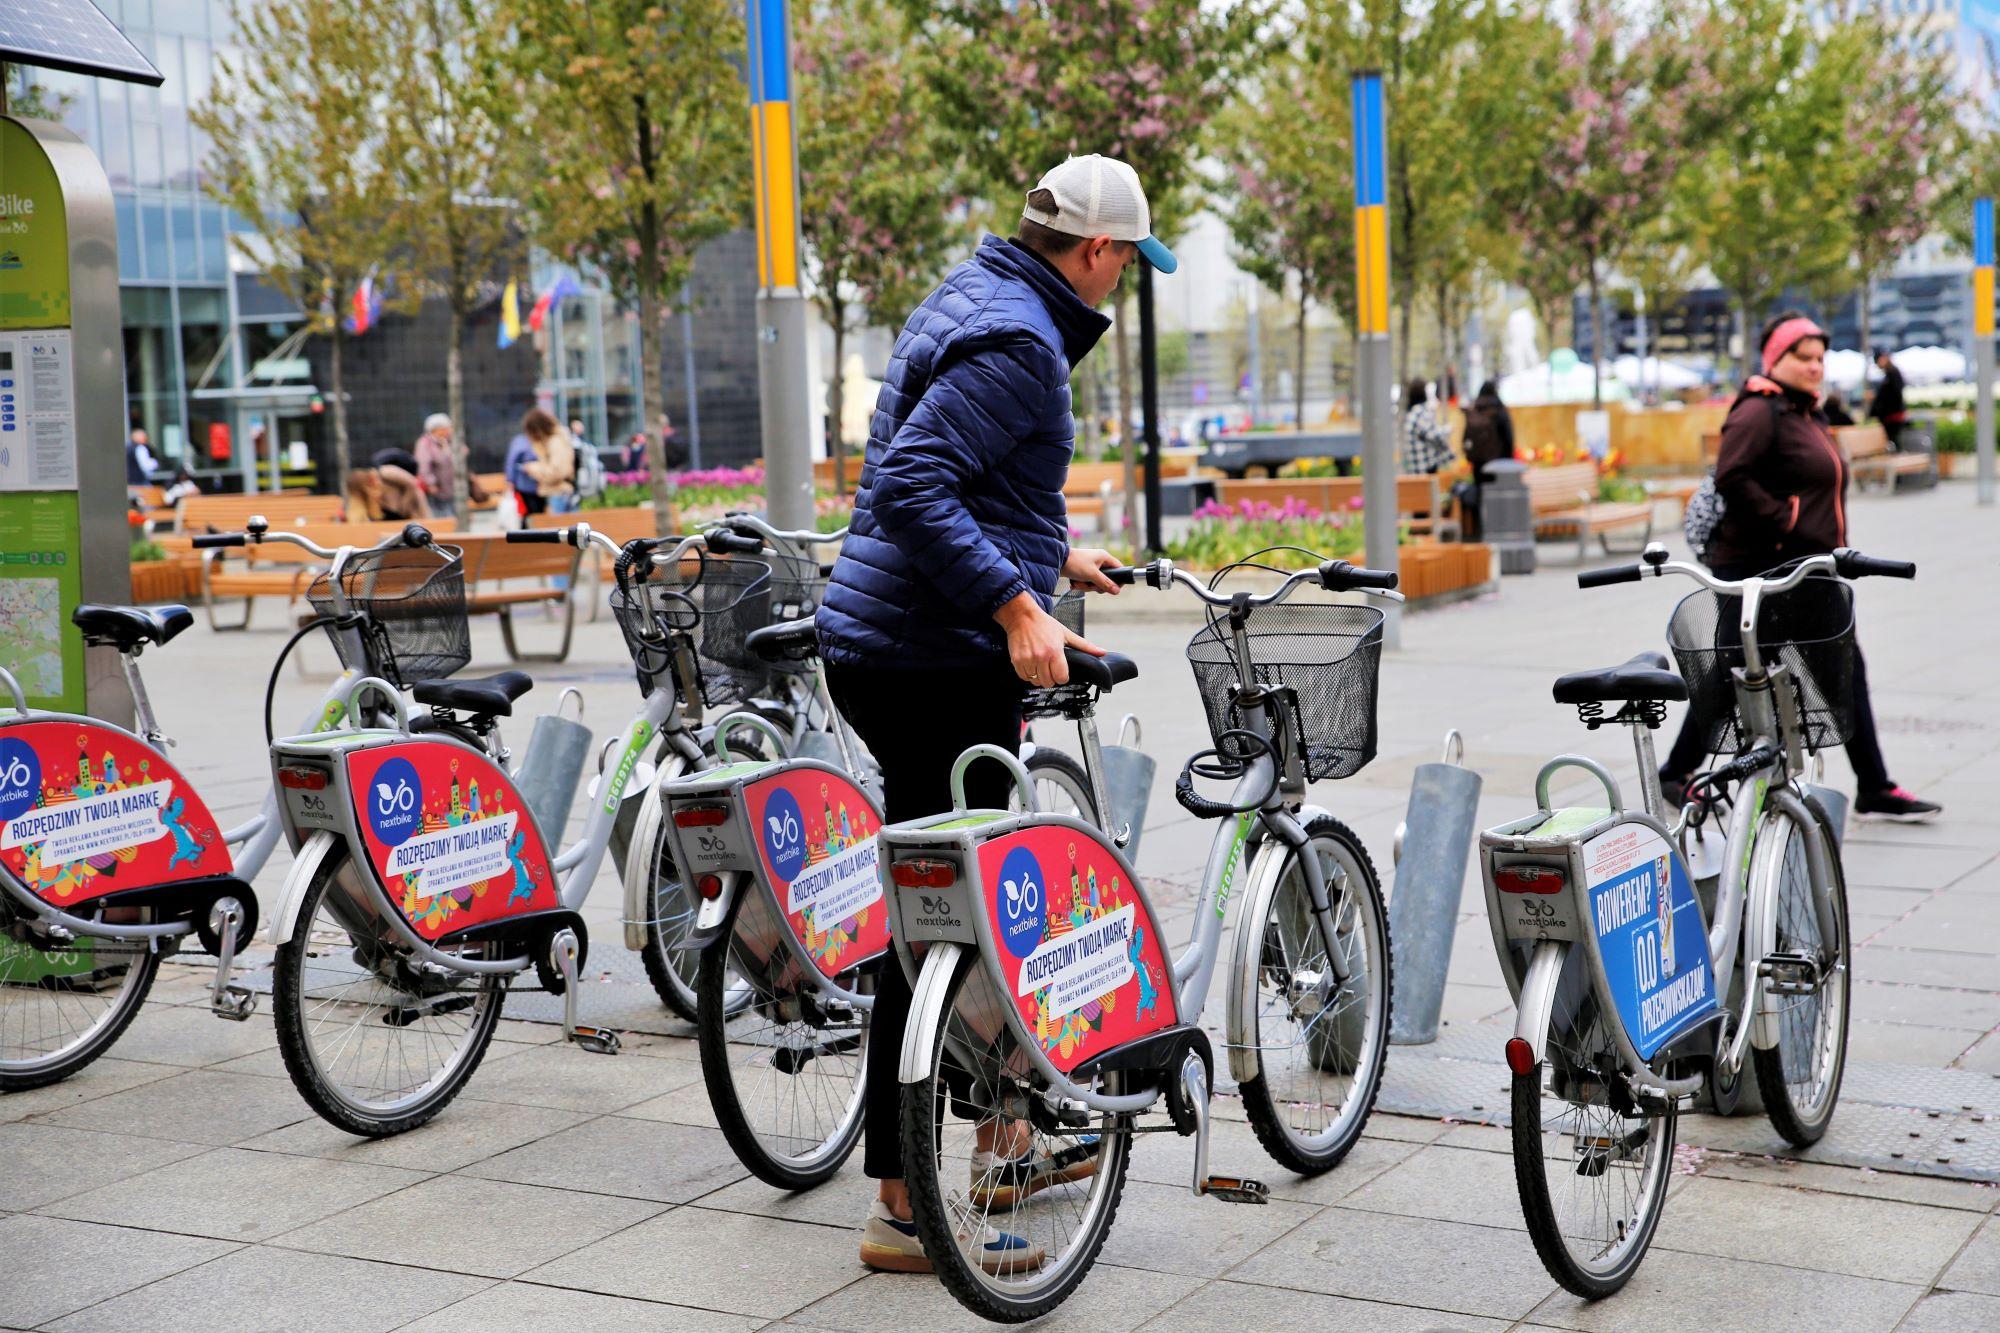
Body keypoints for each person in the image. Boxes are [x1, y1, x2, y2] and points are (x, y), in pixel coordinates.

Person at [815, 152, 1170, 1274]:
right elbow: (915, 482)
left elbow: (942, 477)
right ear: (1099, 250)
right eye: (1127, 262)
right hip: (932, 656)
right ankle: (905, 1203)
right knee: (936, 930)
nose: (1122, 283)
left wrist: (1052, 551)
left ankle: (1003, 1140)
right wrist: (1017, 602)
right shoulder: (1023, 341)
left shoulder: (973, 293)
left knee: (955, 908)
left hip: (889, 643)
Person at [1657, 312, 1939, 822]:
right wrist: (1784, 518)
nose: (1814, 367)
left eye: (1819, 358)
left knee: (1842, 671)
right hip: (1764, 572)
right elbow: (1732, 475)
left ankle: (1875, 786)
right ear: (1775, 360)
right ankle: (1676, 774)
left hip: (1811, 569)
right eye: (1802, 357)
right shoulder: (1759, 411)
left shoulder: (1806, 412)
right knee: (1729, 674)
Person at [1459, 380, 1515, 541]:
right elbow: (1509, 438)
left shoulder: (1475, 410)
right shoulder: (1499, 411)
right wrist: (1508, 460)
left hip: (1478, 464)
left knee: (1481, 497)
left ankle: (1481, 533)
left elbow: (1467, 439)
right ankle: (1500, 532)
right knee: (1500, 499)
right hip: (1500, 465)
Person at [521, 411, 577, 513]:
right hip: (557, 494)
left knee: (558, 527)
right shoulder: (552, 441)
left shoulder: (555, 442)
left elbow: (556, 472)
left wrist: (532, 468)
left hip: (558, 494)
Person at [1398, 378, 1452, 474]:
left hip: (1414, 465)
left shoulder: (1411, 413)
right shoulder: (1421, 413)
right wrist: (1447, 429)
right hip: (1425, 464)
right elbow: (1433, 435)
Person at [504, 410, 549, 518]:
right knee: (530, 514)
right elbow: (512, 462)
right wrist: (510, 481)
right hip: (526, 486)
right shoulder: (521, 441)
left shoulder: (542, 441)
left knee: (539, 514)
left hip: (542, 485)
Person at [413, 414, 457, 510]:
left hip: (453, 489)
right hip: (436, 491)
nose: (450, 430)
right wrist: (431, 483)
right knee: (442, 517)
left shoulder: (450, 441)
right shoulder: (425, 443)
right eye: (447, 428)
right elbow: (423, 466)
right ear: (438, 429)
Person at [1868, 349, 1908, 444]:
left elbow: (1892, 394)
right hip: (1893, 414)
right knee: (1893, 441)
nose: (1878, 365)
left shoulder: (1892, 373)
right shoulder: (1891, 373)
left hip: (1893, 416)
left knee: (1893, 440)